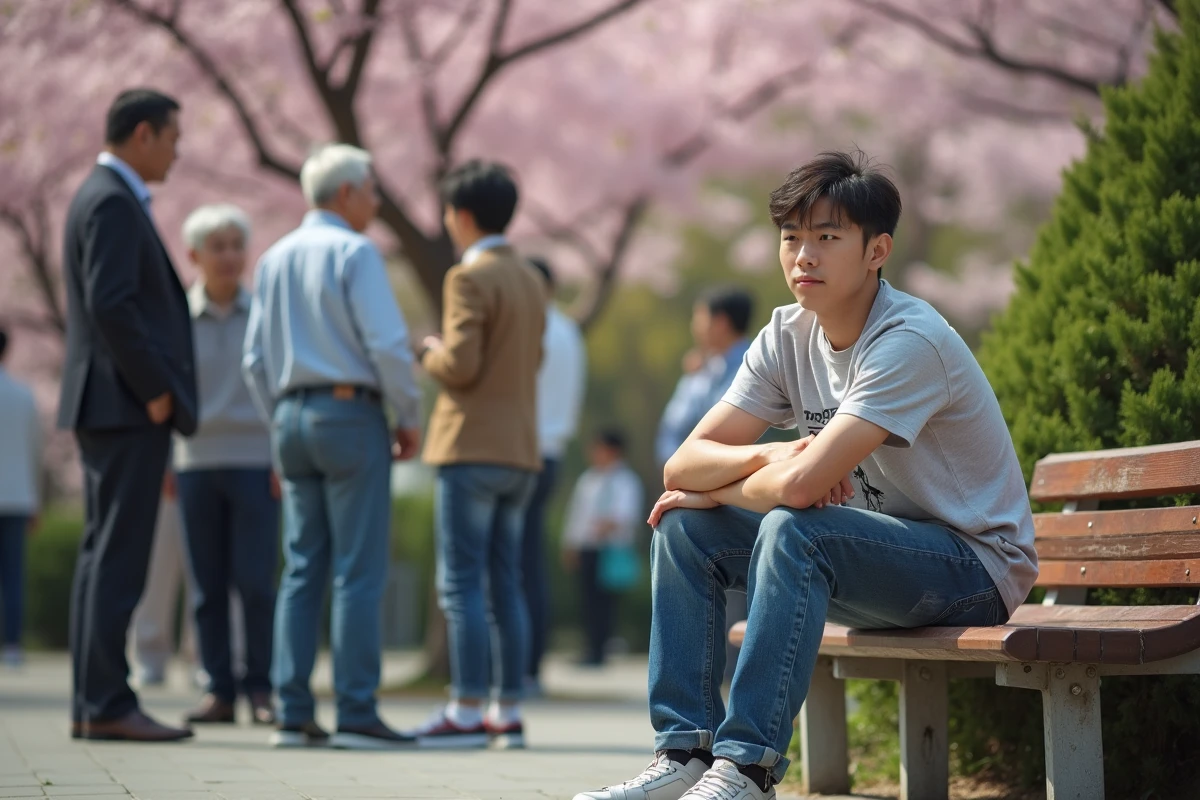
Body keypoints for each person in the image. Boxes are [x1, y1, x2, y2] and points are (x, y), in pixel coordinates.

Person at [574, 150, 1037, 800]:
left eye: (827, 237)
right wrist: (779, 455)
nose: (803, 257)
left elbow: (794, 497)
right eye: (791, 238)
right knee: (683, 526)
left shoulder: (907, 341)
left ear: (877, 251)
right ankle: (685, 753)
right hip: (870, 554)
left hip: (971, 566)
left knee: (797, 529)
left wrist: (774, 475)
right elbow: (683, 464)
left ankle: (749, 768)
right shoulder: (786, 335)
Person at [243, 143, 423, 750]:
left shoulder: (272, 258)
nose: (376, 199)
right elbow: (388, 346)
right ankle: (355, 710)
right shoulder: (354, 251)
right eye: (371, 188)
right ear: (346, 192)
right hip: (349, 415)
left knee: (301, 568)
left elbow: (253, 359)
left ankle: (291, 711)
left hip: (290, 415)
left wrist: (280, 419)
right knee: (357, 570)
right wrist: (408, 413)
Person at [58, 88, 197, 743]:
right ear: (143, 134)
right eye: (172, 137)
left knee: (102, 554)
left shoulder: (99, 195)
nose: (177, 151)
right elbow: (113, 304)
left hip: (104, 402)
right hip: (124, 405)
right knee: (118, 556)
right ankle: (108, 701)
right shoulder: (114, 201)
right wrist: (156, 390)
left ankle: (97, 700)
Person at [411, 160, 545, 749]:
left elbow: (460, 366)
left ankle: (465, 710)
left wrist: (429, 351)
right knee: (505, 582)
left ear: (462, 216)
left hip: (470, 448)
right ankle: (506, 710)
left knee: (460, 583)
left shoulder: (468, 278)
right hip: (519, 448)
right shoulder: (530, 279)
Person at [175, 204, 280, 728]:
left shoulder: (264, 313)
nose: (230, 256)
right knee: (207, 584)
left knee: (256, 582)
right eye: (217, 247)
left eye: (237, 245)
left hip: (256, 461)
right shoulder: (174, 317)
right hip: (194, 462)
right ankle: (219, 689)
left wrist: (282, 460)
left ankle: (261, 687)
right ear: (194, 255)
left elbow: (279, 390)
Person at [523, 256, 587, 692]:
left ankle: (517, 667)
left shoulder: (532, 328)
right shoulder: (568, 331)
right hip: (552, 452)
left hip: (520, 451)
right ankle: (530, 666)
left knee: (512, 562)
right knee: (530, 562)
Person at [560, 430, 642, 668]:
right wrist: (570, 544)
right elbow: (575, 514)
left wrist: (608, 524)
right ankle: (589, 647)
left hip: (612, 549)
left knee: (606, 601)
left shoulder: (627, 481)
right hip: (588, 547)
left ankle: (601, 648)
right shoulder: (589, 480)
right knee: (587, 600)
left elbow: (628, 515)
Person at [654, 287, 754, 468]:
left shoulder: (757, 368)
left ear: (721, 322)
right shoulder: (703, 370)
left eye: (700, 318)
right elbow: (671, 430)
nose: (695, 327)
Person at [127, 480, 198, 687]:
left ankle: (201, 654)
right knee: (156, 564)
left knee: (206, 569)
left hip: (205, 463)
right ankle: (149, 653)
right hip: (158, 469)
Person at [0, 327, 41, 668]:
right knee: (14, 575)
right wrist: (36, 501)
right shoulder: (24, 396)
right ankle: (12, 643)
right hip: (17, 495)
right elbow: (34, 451)